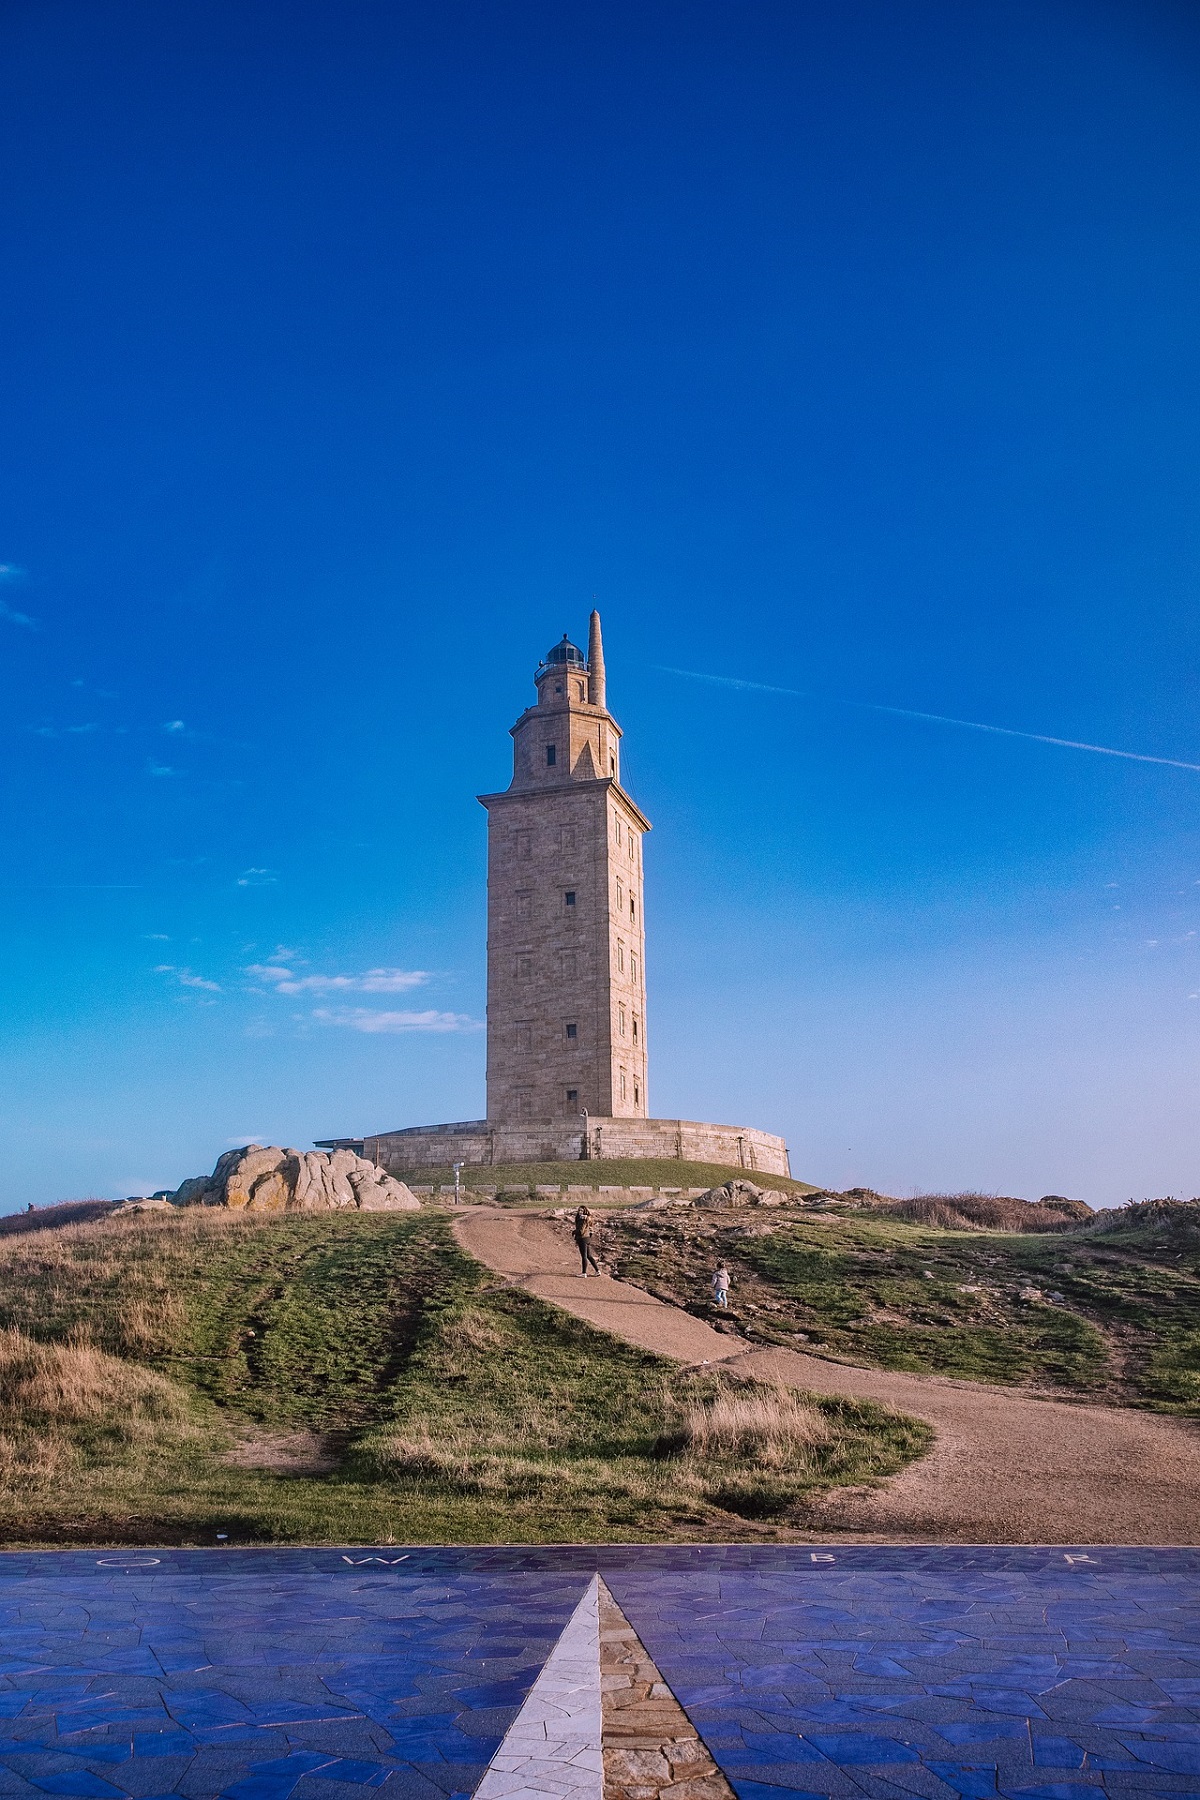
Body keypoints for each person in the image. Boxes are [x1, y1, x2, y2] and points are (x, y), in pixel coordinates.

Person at [574, 1204, 601, 1277]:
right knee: (589, 1256)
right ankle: (597, 1271)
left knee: (584, 1256)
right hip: (587, 1238)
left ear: (584, 1211)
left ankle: (584, 1273)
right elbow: (590, 1227)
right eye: (579, 1210)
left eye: (581, 1210)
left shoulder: (582, 1219)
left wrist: (574, 1232)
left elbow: (580, 1231)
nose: (580, 1212)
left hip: (582, 1238)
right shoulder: (588, 1218)